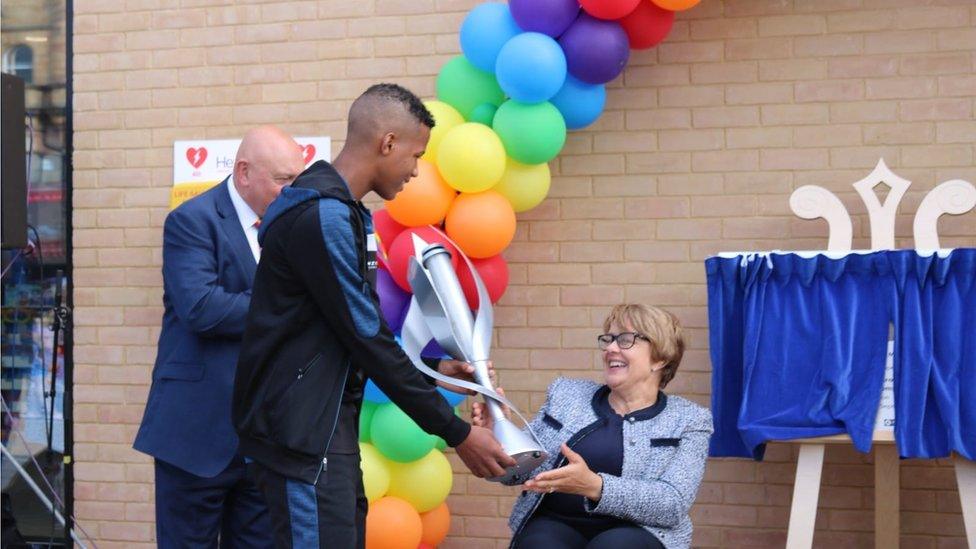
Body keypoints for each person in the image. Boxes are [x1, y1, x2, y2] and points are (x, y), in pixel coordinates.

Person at [232, 83, 515, 548]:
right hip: (304, 439)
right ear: (387, 143)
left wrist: (432, 371)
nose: (416, 171)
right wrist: (457, 433)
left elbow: (352, 331)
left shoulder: (343, 212)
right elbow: (365, 336)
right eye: (415, 155)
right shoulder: (320, 214)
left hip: (323, 435)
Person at [133, 126, 306, 548]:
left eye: (297, 180)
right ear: (244, 172)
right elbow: (201, 309)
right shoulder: (192, 221)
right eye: (283, 180)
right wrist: (287, 307)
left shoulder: (290, 227)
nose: (292, 191)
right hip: (197, 434)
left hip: (263, 440)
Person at [473, 304, 713, 549]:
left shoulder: (690, 420)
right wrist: (500, 436)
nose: (610, 348)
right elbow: (521, 473)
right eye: (608, 339)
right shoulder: (566, 395)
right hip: (556, 524)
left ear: (660, 358)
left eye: (625, 340)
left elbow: (672, 505)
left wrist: (595, 486)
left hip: (640, 532)